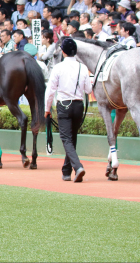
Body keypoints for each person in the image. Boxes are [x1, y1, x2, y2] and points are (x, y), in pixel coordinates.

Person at [44, 38, 92, 182]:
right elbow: (89, 89)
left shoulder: (58, 68)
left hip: (64, 105)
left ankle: (77, 167)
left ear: (63, 52)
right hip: (78, 105)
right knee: (72, 137)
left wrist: (47, 109)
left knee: (66, 138)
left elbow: (50, 91)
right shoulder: (82, 67)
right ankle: (66, 171)